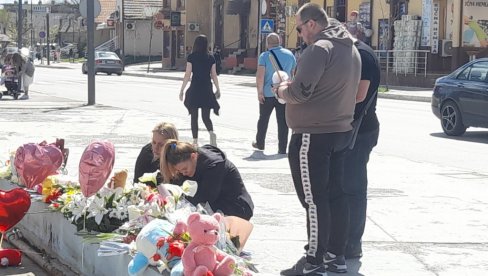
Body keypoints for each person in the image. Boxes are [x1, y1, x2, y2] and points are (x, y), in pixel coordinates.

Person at [275, 3, 361, 275]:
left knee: (314, 200)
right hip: (339, 132)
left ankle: (313, 260)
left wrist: (281, 90)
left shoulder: (320, 49)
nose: (299, 34)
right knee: (336, 196)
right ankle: (336, 256)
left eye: (299, 28)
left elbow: (300, 92)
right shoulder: (350, 48)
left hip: (313, 135)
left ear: (312, 24)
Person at [343, 37, 381, 260]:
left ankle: (352, 242)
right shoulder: (357, 52)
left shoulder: (363, 56)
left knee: (354, 188)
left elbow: (360, 94)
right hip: (358, 129)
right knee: (347, 187)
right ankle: (345, 240)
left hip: (360, 131)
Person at [160, 139, 254, 221]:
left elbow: (204, 197)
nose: (184, 173)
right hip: (219, 206)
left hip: (237, 208)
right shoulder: (190, 161)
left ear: (194, 156)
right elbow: (179, 186)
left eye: (185, 169)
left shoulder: (214, 166)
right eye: (179, 171)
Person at [252, 33, 296, 154]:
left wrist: (260, 92)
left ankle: (260, 143)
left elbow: (260, 75)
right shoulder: (290, 55)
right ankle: (282, 148)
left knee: (263, 119)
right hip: (284, 93)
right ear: (280, 41)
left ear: (267, 43)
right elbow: (294, 73)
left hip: (268, 93)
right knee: (283, 121)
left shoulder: (264, 56)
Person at [179, 35, 221, 147]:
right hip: (207, 88)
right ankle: (211, 133)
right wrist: (218, 88)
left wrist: (182, 89)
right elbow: (214, 75)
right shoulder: (211, 58)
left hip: (195, 88)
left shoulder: (191, 57)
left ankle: (195, 141)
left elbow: (187, 74)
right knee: (206, 116)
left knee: (194, 116)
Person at [133, 122, 179, 187]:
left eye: (161, 145)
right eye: (154, 142)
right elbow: (136, 182)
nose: (156, 148)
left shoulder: (179, 158)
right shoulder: (146, 152)